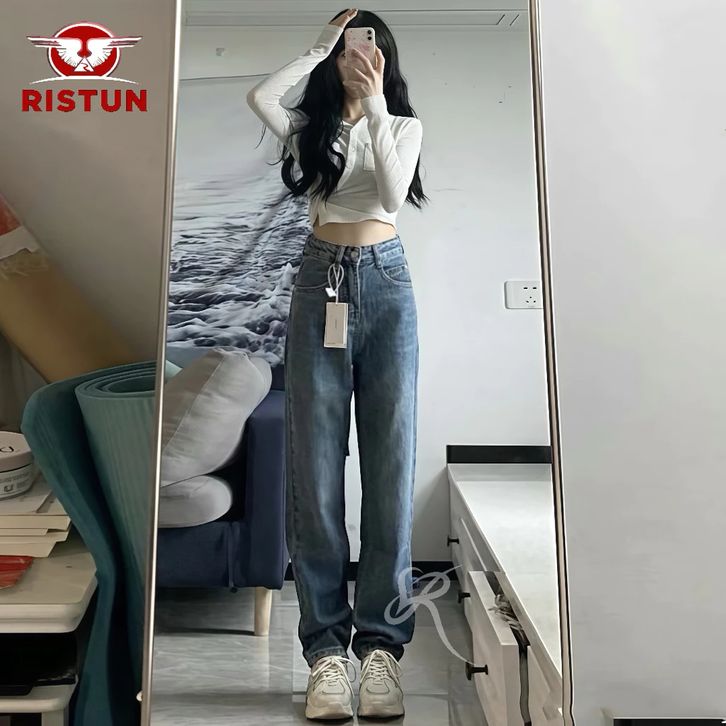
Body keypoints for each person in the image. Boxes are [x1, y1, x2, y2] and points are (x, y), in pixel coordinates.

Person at [247, 7, 427, 720]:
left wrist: (376, 103)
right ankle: (326, 654)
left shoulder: (403, 127)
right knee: (315, 470)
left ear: (385, 58)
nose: (360, 58)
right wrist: (319, 47)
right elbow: (261, 96)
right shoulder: (308, 128)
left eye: (369, 49)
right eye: (351, 48)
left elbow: (390, 193)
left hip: (387, 284)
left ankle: (381, 652)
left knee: (390, 467)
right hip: (319, 280)